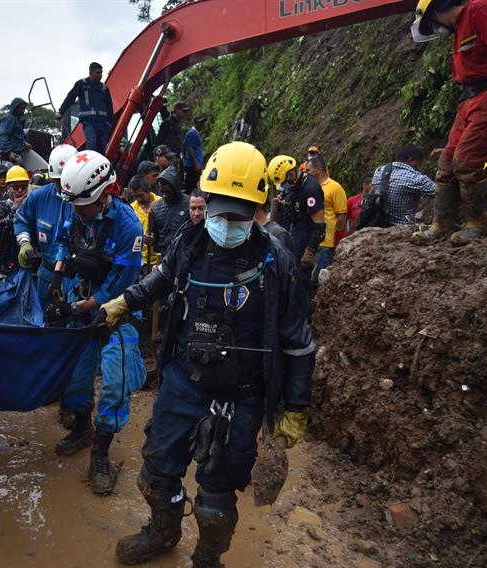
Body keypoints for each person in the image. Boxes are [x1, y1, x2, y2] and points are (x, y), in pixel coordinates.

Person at [99, 141, 315, 567]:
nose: (227, 221)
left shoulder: (277, 263)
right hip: (184, 379)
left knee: (217, 498)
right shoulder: (190, 243)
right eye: (219, 210)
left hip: (243, 393)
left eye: (240, 212)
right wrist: (125, 302)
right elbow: (160, 280)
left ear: (259, 207)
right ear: (206, 200)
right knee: (156, 472)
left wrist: (296, 408)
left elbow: (299, 341)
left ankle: (206, 559)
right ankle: (162, 531)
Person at [44, 150, 145, 496]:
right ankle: (82, 426)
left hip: (118, 313)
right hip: (81, 303)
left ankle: (101, 451)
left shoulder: (128, 227)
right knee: (75, 375)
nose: (75, 211)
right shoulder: (77, 213)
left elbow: (119, 285)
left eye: (81, 205)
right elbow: (61, 240)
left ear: (104, 196)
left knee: (116, 383)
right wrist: (58, 276)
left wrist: (77, 308)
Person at [411, 0, 487, 245]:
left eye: (432, 22)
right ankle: (442, 223)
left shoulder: (478, 10)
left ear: (437, 11)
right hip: (471, 98)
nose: (435, 28)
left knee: (467, 159)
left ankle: (479, 221)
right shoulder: (461, 28)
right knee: (446, 163)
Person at [14, 144, 77, 308]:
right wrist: (24, 242)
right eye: (56, 181)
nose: (60, 186)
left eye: (63, 181)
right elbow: (21, 220)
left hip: (75, 277)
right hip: (46, 273)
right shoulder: (38, 197)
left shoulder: (85, 201)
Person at [269, 155, 325, 270]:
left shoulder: (311, 189)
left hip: (305, 239)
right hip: (294, 233)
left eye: (285, 182)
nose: (285, 185)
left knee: (301, 277)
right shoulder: (294, 187)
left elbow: (319, 225)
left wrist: (310, 251)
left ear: (292, 173)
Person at [371, 144, 436, 226]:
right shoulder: (416, 178)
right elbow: (441, 193)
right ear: (411, 160)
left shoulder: (379, 171)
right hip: (402, 227)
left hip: (378, 222)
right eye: (419, 163)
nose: (420, 167)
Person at [56, 62, 114, 153]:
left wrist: (110, 124)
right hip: (89, 122)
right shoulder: (81, 84)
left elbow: (110, 108)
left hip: (103, 124)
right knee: (92, 142)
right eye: (98, 73)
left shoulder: (104, 88)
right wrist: (60, 112)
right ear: (91, 72)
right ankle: (89, 164)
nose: (101, 75)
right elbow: (70, 98)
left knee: (101, 148)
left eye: (101, 73)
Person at [306, 156, 345, 284]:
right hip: (309, 241)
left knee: (318, 280)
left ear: (318, 170)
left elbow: (341, 216)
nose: (306, 173)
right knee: (307, 278)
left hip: (326, 243)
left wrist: (335, 241)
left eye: (308, 170)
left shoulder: (335, 188)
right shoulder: (308, 187)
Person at [148, 165, 189, 256]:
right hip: (163, 257)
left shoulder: (190, 205)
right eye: (162, 192)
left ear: (176, 189)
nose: (164, 196)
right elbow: (154, 236)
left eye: (168, 192)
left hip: (184, 256)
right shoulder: (155, 208)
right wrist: (150, 239)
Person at [129, 174, 161, 272]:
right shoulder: (131, 209)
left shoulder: (161, 204)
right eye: (135, 196)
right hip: (139, 259)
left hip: (159, 258)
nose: (138, 199)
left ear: (148, 191)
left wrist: (156, 239)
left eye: (141, 195)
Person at [0, 97, 30, 164]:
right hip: (10, 156)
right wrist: (9, 152)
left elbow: (16, 135)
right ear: (15, 108)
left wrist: (24, 143)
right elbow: (3, 136)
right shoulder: (8, 119)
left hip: (17, 154)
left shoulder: (16, 119)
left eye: (24, 108)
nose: (23, 111)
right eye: (21, 108)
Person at [183, 116, 207, 192]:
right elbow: (190, 149)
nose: (203, 124)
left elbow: (184, 144)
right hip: (192, 165)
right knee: (191, 185)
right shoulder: (192, 133)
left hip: (195, 163)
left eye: (203, 123)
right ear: (195, 123)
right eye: (200, 123)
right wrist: (196, 165)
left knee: (193, 183)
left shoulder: (197, 133)